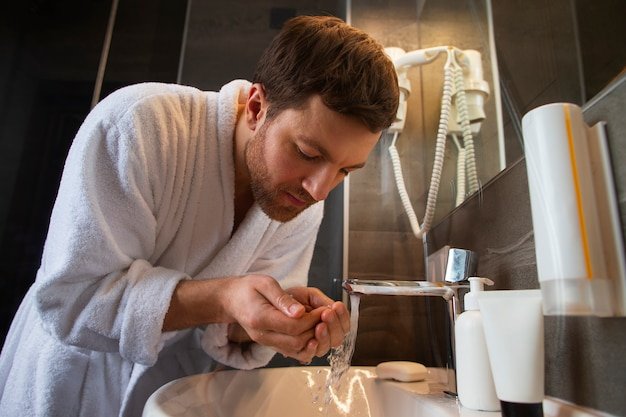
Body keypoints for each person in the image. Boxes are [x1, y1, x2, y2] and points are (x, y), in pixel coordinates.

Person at [0, 15, 399, 417]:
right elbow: (72, 299)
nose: (320, 189)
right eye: (308, 154)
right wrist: (225, 298)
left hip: (171, 397)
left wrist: (278, 319)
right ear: (258, 107)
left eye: (346, 170)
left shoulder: (300, 198)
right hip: (72, 387)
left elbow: (232, 330)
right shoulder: (139, 124)